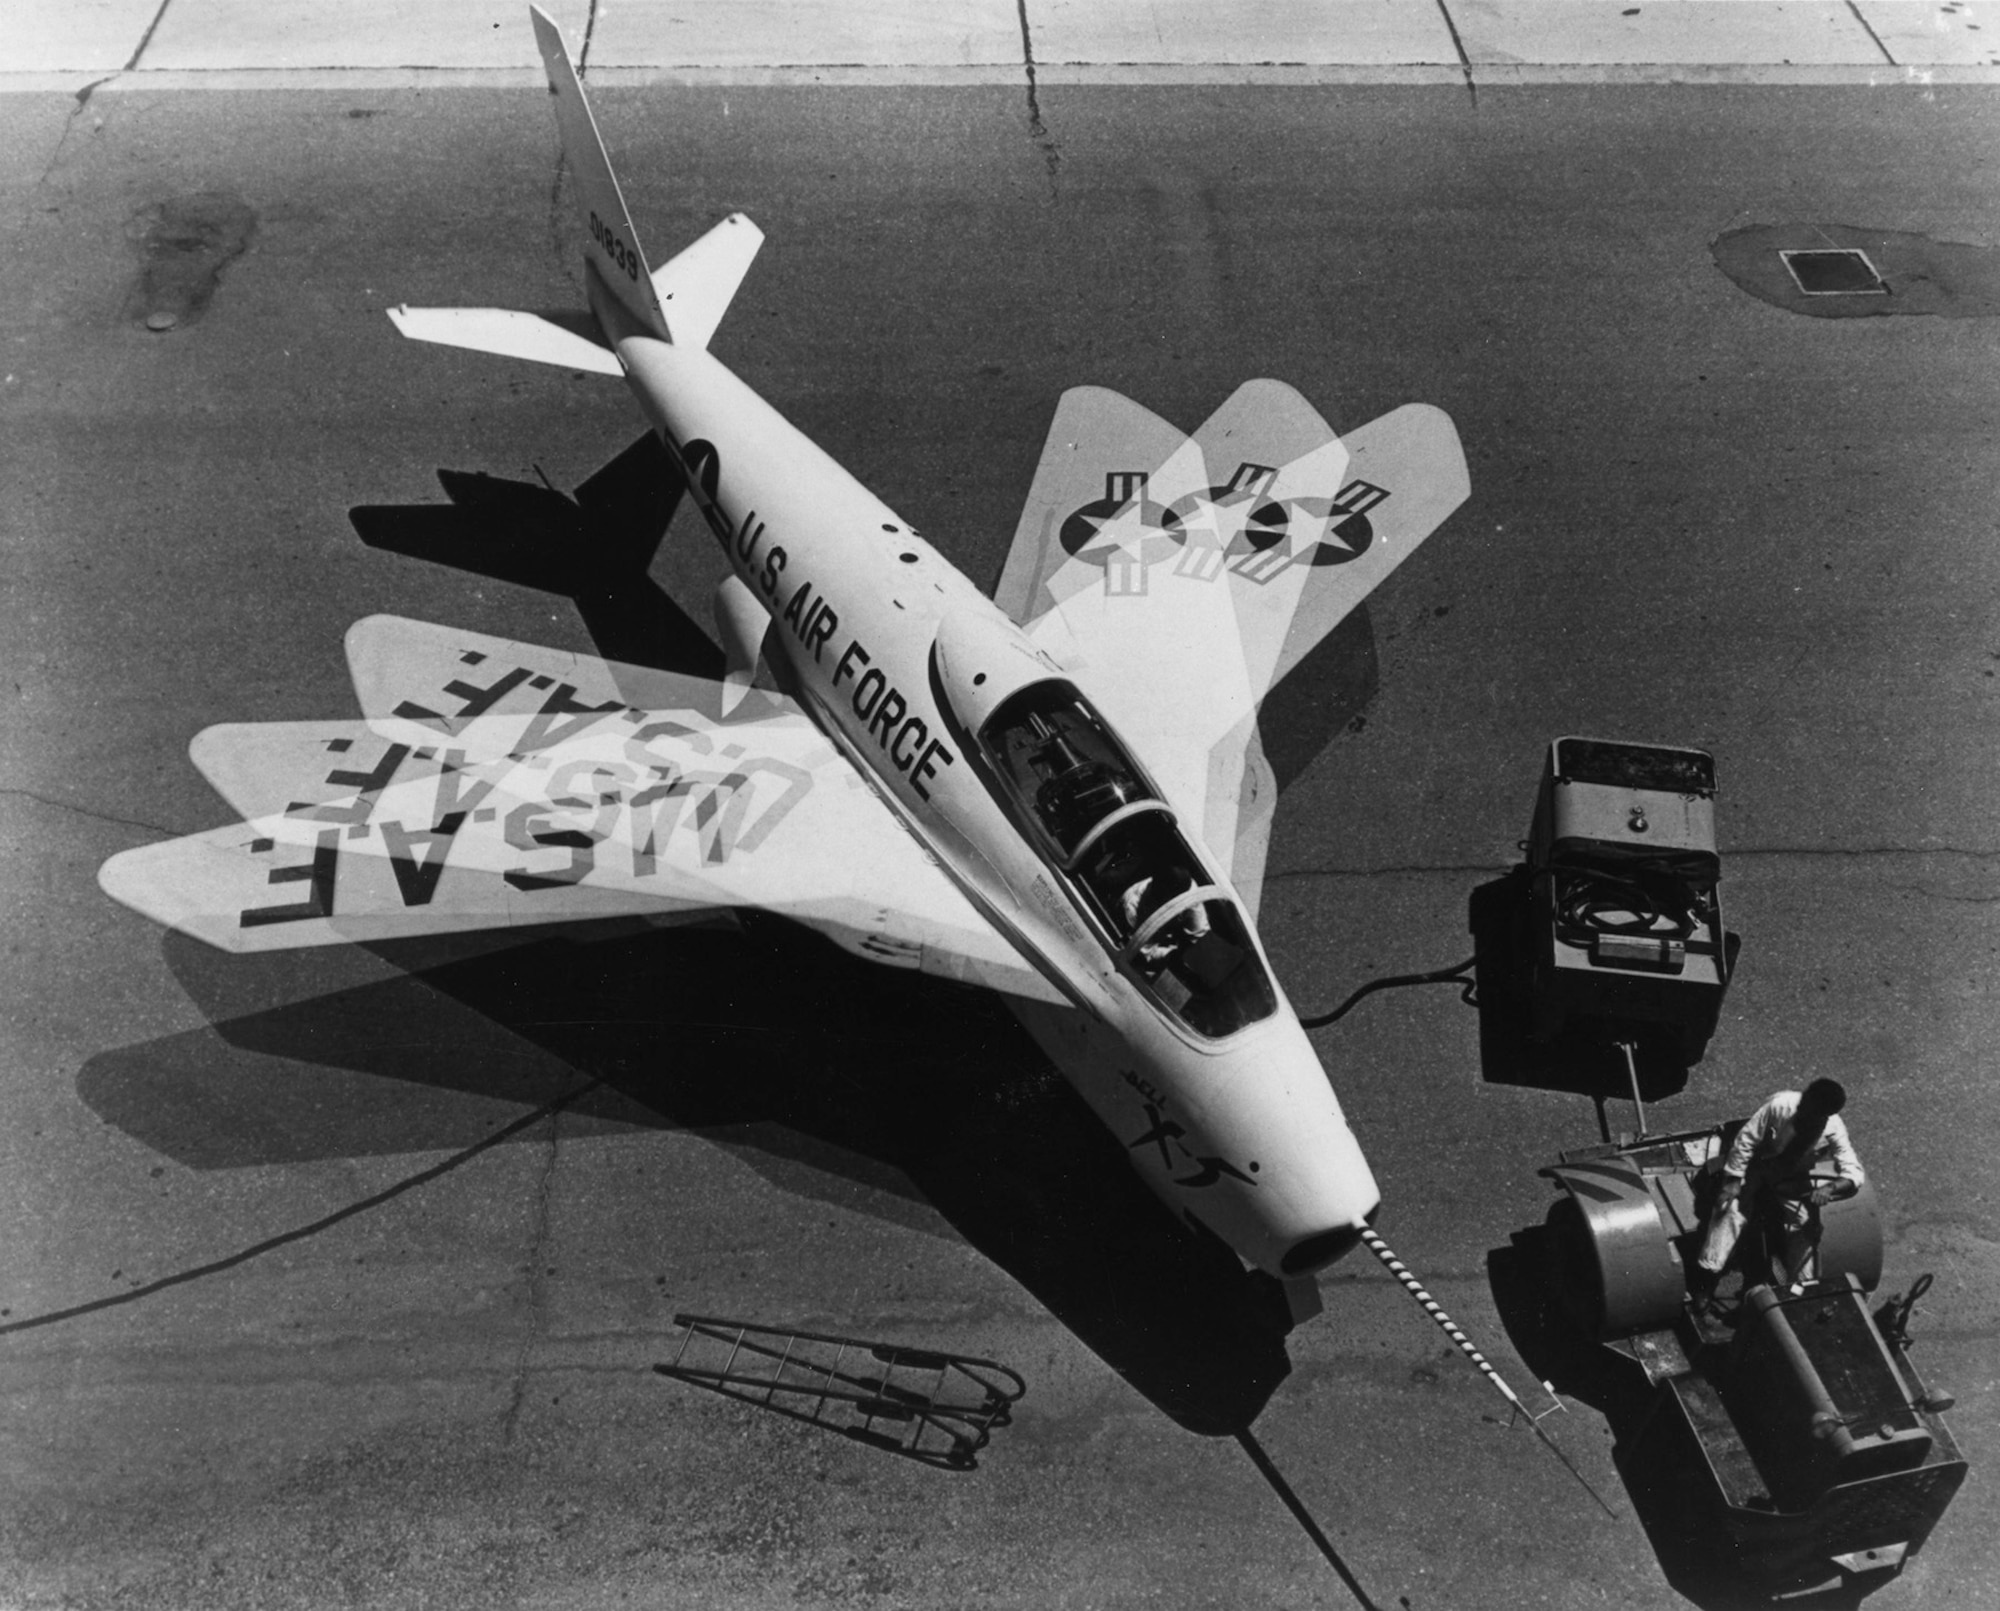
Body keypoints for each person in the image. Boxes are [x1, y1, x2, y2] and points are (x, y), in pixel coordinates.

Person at [1690, 1078, 1864, 1315]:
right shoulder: (1780, 1105)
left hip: (1789, 1179)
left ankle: (1803, 1288)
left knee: (1804, 1225)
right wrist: (1732, 1182)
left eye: (1813, 1113)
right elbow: (1746, 1140)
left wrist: (1830, 1188)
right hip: (1755, 1169)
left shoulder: (1834, 1129)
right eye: (1804, 1105)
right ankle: (1707, 1280)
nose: (1804, 1112)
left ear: (1825, 1115)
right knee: (1729, 1212)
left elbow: (1853, 1170)